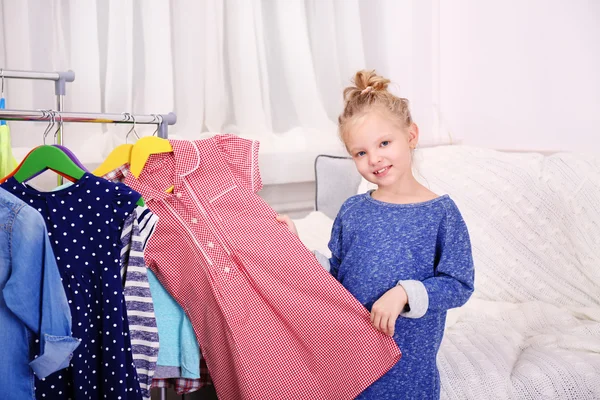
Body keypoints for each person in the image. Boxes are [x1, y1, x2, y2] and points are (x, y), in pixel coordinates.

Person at [276, 70, 475, 399]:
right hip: (351, 355)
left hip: (409, 364)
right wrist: (296, 247)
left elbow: (459, 285)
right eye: (361, 152)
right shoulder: (352, 211)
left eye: (384, 143)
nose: (375, 159)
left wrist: (405, 294)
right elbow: (337, 277)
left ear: (411, 135)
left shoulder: (441, 214)